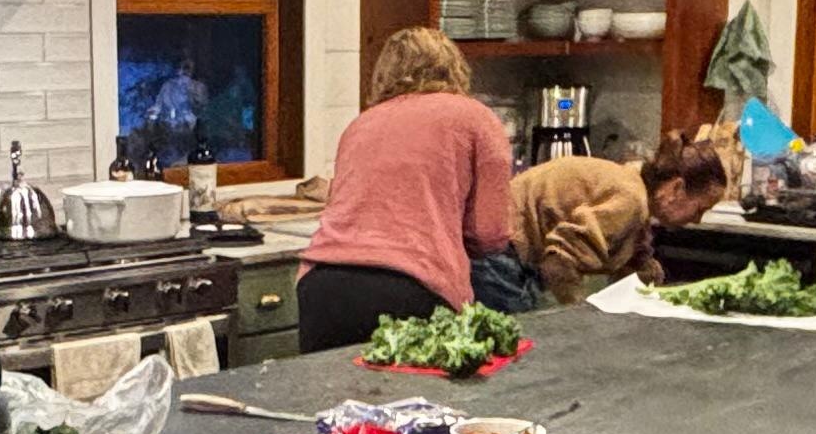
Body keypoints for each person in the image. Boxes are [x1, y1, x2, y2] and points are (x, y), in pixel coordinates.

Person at [296, 26, 515, 351]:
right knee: (423, 401)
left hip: (322, 287)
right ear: (455, 66)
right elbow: (490, 233)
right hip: (413, 288)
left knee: (336, 400)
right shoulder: (475, 118)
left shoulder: (360, 124)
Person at [509, 134, 735, 302]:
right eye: (699, 209)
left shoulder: (634, 189)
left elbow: (632, 259)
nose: (697, 221)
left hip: (508, 243)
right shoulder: (631, 200)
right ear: (676, 189)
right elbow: (558, 262)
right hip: (506, 246)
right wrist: (577, 315)